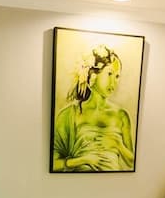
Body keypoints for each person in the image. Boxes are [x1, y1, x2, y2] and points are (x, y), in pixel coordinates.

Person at [51, 44, 135, 172]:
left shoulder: (121, 115)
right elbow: (53, 163)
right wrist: (83, 160)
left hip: (113, 181)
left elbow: (132, 162)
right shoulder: (69, 114)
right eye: (109, 74)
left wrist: (118, 145)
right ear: (93, 75)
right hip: (78, 180)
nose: (113, 82)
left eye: (117, 76)